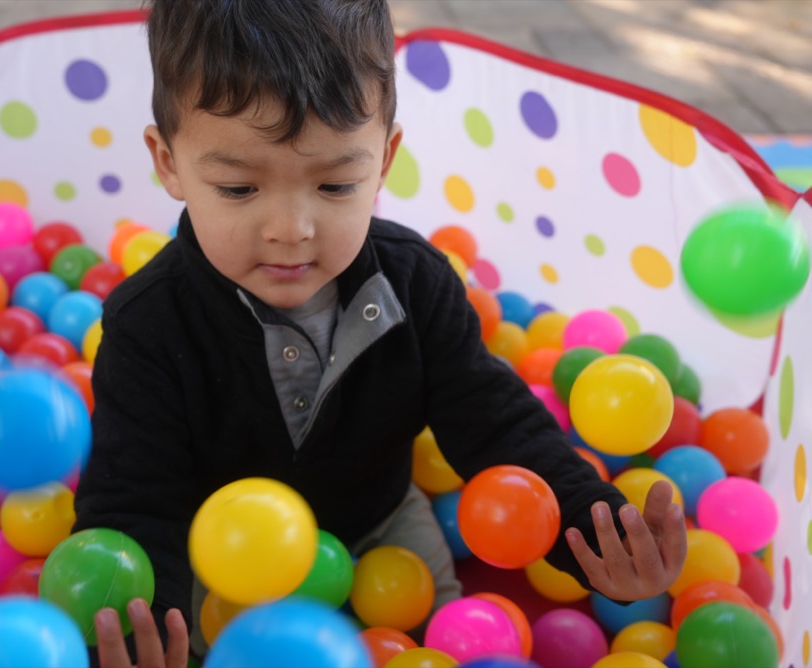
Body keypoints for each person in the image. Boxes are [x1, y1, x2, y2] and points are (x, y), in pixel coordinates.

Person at [75, 0, 688, 664]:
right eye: (239, 189)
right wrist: (143, 617)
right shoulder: (147, 324)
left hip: (379, 528)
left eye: (336, 185)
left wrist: (593, 534)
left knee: (439, 637)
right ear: (168, 162)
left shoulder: (417, 283)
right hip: (225, 556)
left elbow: (495, 424)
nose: (291, 229)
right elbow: (136, 492)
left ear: (385, 157)